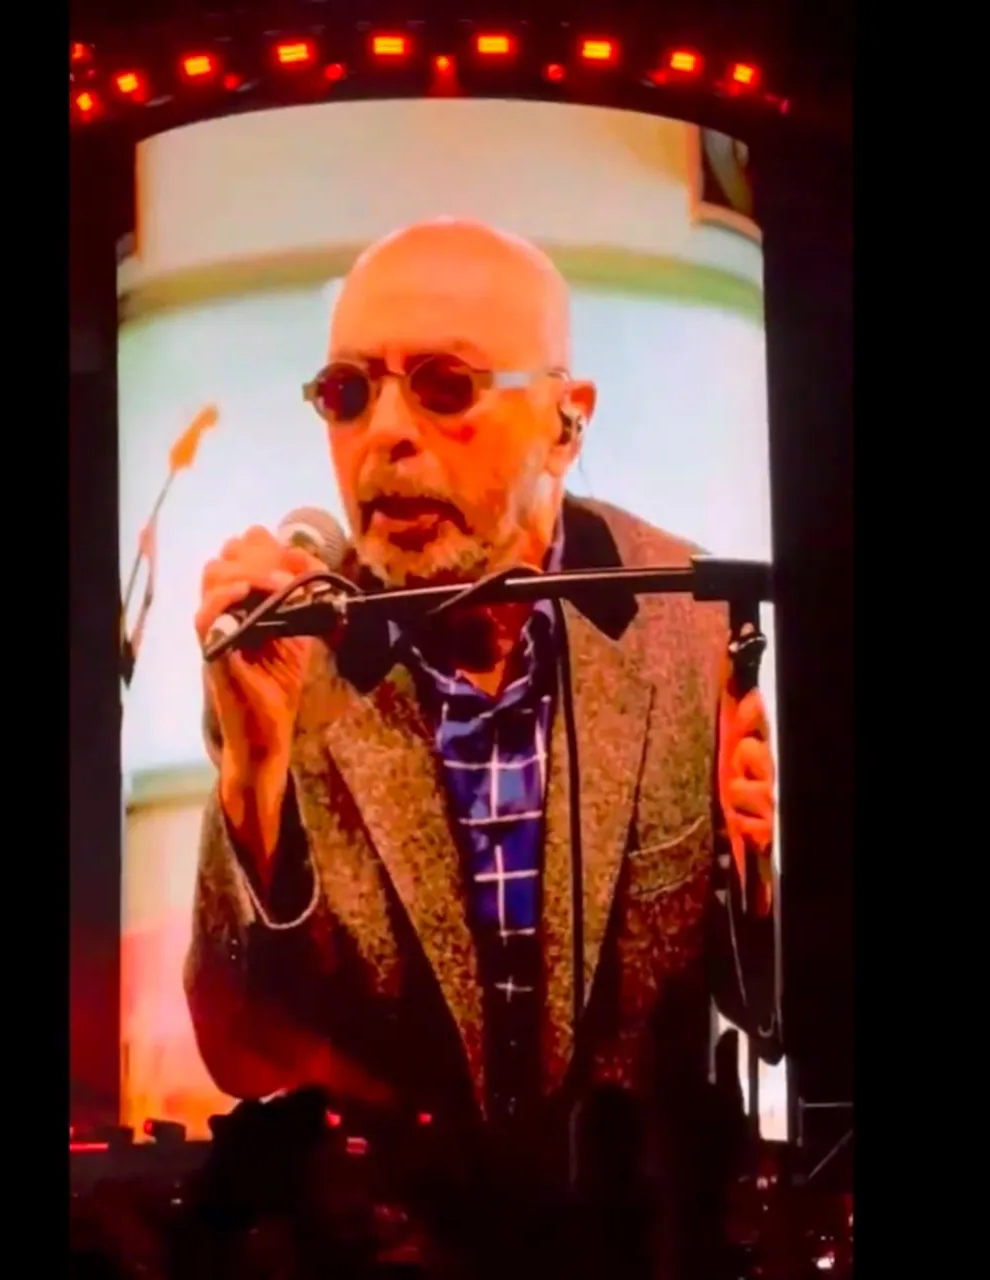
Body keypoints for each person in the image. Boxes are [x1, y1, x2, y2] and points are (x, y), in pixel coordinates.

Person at [184, 217, 778, 1146]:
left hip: (630, 1213)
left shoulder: (685, 618)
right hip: (388, 1221)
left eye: (444, 385)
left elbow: (768, 1012)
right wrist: (253, 787)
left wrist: (761, 886)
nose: (385, 433)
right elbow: (241, 1055)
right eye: (347, 393)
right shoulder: (286, 655)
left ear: (565, 424)